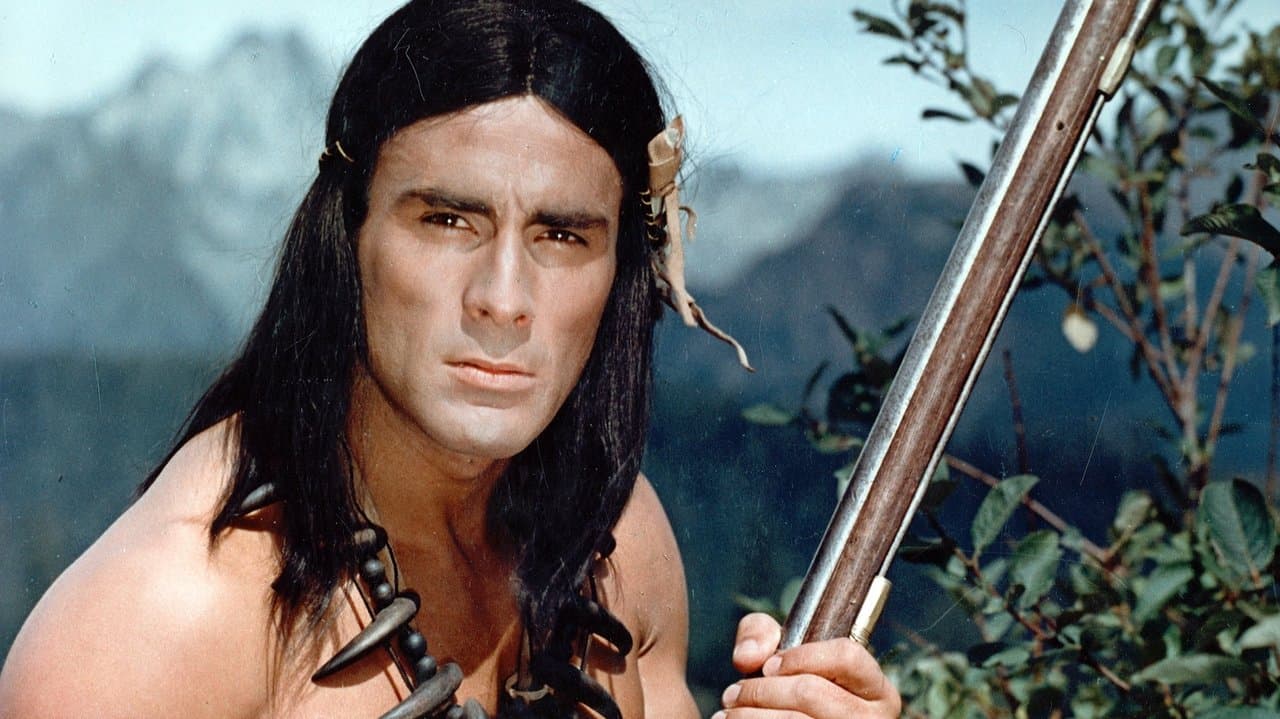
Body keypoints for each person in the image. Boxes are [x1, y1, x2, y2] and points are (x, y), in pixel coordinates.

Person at [0, 1, 902, 717]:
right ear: (347, 235)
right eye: (446, 220)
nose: (503, 298)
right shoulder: (158, 624)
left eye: (562, 234)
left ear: (621, 270)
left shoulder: (620, 542)